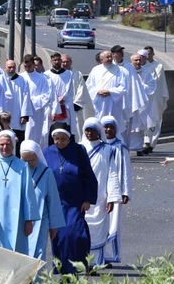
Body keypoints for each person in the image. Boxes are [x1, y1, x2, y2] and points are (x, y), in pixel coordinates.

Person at [44, 122, 98, 275]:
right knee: (60, 237)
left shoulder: (78, 151)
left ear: (69, 138)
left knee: (76, 234)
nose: (59, 142)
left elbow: (89, 175)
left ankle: (80, 264)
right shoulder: (47, 153)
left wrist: (88, 199)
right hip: (57, 202)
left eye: (63, 139)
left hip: (75, 201)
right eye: (56, 139)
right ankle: (64, 270)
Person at [0, 130, 37, 254]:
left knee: (16, 253)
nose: (5, 147)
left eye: (8, 144)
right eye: (2, 144)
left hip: (17, 218)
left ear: (13, 145)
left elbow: (28, 194)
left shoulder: (22, 166)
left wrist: (29, 220)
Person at [81, 118, 121, 268]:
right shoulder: (79, 148)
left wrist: (112, 198)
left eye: (92, 130)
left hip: (100, 197)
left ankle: (97, 262)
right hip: (82, 197)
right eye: (87, 130)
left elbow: (112, 174)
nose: (89, 133)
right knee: (83, 228)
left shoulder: (107, 150)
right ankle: (83, 261)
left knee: (99, 230)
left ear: (98, 131)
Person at [19, 139, 65, 263]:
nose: (29, 164)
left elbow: (53, 200)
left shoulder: (46, 172)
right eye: (25, 160)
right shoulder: (18, 171)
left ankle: (38, 282)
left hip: (41, 220)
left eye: (32, 160)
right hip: (21, 219)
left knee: (39, 252)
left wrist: (54, 225)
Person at [102, 115, 133, 263]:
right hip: (99, 191)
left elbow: (126, 169)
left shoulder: (120, 147)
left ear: (116, 129)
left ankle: (111, 256)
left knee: (112, 224)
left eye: (111, 127)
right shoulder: (97, 146)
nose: (108, 129)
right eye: (105, 127)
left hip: (115, 192)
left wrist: (125, 191)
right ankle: (97, 255)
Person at [127, 52, 157, 155]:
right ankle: (127, 147)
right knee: (129, 126)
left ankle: (139, 148)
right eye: (136, 60)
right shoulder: (126, 72)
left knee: (139, 127)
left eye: (139, 60)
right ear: (131, 61)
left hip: (141, 103)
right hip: (130, 102)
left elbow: (152, 86)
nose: (138, 62)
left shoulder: (146, 72)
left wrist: (140, 85)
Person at [3, 59, 32, 153]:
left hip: (17, 117)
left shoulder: (22, 80)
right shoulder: (1, 80)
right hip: (4, 116)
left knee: (18, 142)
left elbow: (26, 97)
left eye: (13, 67)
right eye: (9, 67)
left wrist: (24, 115)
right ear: (5, 68)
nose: (11, 69)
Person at [143, 46, 168, 153]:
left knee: (154, 120)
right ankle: (145, 142)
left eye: (149, 53)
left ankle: (151, 143)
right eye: (146, 54)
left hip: (155, 98)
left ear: (153, 54)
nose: (147, 55)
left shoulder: (158, 66)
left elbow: (156, 80)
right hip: (144, 98)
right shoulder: (139, 66)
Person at [23, 55, 53, 145]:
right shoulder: (20, 77)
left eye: (29, 66)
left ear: (33, 65)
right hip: (22, 112)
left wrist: (31, 101)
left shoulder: (41, 78)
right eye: (25, 66)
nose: (27, 68)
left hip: (35, 112)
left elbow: (46, 95)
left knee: (34, 136)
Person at [48, 52, 78, 135]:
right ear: (51, 62)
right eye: (54, 60)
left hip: (65, 104)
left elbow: (69, 88)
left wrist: (63, 98)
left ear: (61, 61)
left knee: (65, 128)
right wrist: (55, 101)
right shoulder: (46, 75)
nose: (56, 62)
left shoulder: (68, 74)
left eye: (58, 60)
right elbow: (47, 91)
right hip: (52, 105)